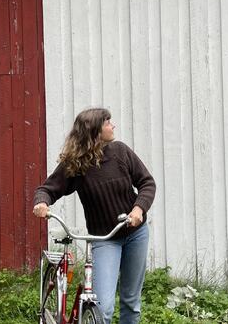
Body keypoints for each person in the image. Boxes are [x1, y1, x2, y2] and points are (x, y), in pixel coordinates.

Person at [33, 108, 156, 324]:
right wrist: (41, 203)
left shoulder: (121, 152)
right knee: (103, 307)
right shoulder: (76, 164)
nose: (113, 125)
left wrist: (138, 209)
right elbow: (48, 189)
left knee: (131, 303)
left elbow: (147, 182)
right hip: (105, 239)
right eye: (108, 122)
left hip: (136, 234)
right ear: (94, 131)